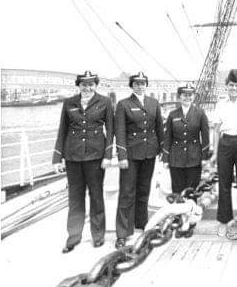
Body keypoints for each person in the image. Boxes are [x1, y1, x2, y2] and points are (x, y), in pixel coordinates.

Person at [52, 70, 114, 253]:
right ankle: (74, 236)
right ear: (78, 85)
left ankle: (97, 235)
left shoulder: (105, 102)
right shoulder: (69, 103)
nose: (87, 87)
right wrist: (57, 158)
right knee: (75, 198)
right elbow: (62, 130)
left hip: (96, 156)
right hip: (73, 156)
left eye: (91, 84)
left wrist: (108, 155)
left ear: (96, 85)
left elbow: (110, 131)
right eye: (84, 84)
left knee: (96, 196)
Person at [113, 72, 164, 249]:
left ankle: (141, 224)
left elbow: (159, 128)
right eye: (137, 83)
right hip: (131, 154)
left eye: (143, 83)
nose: (140, 86)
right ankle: (122, 233)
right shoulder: (123, 104)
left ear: (146, 85)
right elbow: (119, 132)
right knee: (127, 193)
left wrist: (162, 150)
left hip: (149, 153)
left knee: (143, 190)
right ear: (132, 85)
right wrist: (122, 156)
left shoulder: (153, 103)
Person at [162, 83, 211, 237]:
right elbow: (167, 137)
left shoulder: (200, 113)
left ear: (193, 96)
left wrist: (204, 158)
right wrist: (165, 158)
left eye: (190, 94)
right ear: (179, 97)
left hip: (194, 158)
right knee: (177, 192)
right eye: (184, 94)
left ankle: (190, 224)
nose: (187, 97)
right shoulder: (172, 114)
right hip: (176, 159)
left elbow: (206, 136)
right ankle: (179, 223)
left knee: (191, 192)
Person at [210, 69, 237, 236]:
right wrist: (214, 152)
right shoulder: (220, 104)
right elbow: (216, 129)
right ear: (226, 86)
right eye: (231, 85)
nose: (234, 88)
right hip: (225, 143)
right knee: (224, 183)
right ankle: (224, 220)